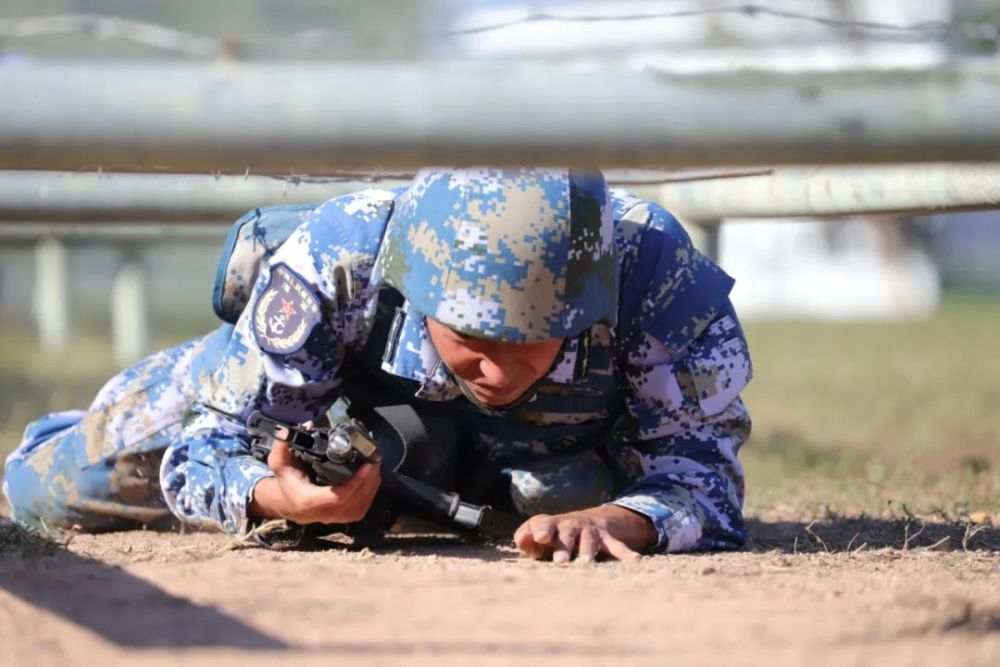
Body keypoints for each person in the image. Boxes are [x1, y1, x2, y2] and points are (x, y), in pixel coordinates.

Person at [3, 168, 753, 563]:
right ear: (414, 289)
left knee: (573, 484)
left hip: (541, 458)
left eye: (533, 337)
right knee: (49, 487)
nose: (496, 366)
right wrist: (274, 495)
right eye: (471, 337)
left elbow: (705, 474)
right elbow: (211, 443)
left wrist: (627, 518)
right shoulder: (339, 258)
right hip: (309, 408)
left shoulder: (652, 272)